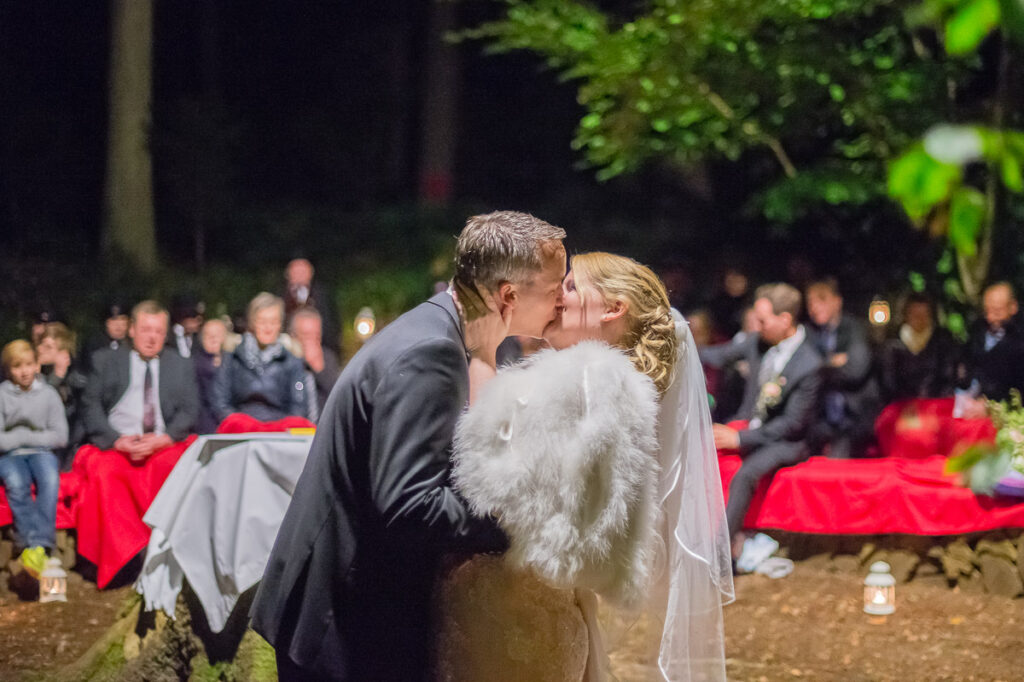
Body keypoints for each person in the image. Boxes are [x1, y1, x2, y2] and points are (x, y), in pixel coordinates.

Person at [251, 210, 567, 682]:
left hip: (351, 605)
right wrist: (509, 522)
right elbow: (408, 505)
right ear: (508, 296)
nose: (563, 299)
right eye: (555, 286)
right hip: (342, 623)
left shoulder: (438, 331)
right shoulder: (431, 351)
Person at [436, 252, 733, 682]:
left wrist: (482, 352)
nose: (558, 297)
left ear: (614, 308)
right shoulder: (610, 385)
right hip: (541, 616)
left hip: (512, 625)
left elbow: (488, 478)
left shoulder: (592, 382)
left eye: (571, 287)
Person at [76, 300, 200, 587]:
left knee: (177, 469)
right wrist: (116, 440)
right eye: (145, 329)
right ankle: (120, 561)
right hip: (118, 444)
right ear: (132, 330)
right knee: (105, 474)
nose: (151, 337)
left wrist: (165, 438)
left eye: (158, 331)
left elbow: (190, 410)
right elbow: (90, 406)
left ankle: (167, 558)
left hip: (162, 443)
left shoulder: (179, 365)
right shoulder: (105, 361)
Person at [702, 284, 822, 562]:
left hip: (787, 441)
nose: (757, 326)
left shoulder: (809, 364)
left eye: (763, 320)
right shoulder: (759, 341)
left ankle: (719, 557)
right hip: (747, 424)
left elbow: (793, 424)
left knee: (745, 475)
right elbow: (717, 355)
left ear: (785, 320)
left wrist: (741, 440)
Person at [0, 340, 68, 578]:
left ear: (37, 365)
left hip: (41, 452)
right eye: (18, 366)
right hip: (10, 455)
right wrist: (27, 438)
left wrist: (20, 437)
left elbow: (60, 436)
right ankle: (26, 542)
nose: (25, 371)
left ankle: (40, 544)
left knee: (49, 480)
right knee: (16, 484)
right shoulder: (2, 395)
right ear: (9, 370)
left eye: (29, 364)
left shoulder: (48, 394)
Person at [804, 278, 881, 459]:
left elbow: (856, 371)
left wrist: (822, 366)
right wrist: (833, 362)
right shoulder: (809, 333)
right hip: (822, 418)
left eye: (821, 299)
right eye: (810, 302)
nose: (815, 307)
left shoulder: (855, 328)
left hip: (853, 417)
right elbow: (806, 370)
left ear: (837, 302)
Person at [212, 292, 314, 423]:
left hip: (279, 432)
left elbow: (299, 405)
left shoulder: (291, 359)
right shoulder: (233, 356)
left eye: (273, 322)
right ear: (252, 323)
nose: (268, 328)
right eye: (262, 321)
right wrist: (237, 422)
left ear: (280, 325)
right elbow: (220, 401)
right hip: (240, 429)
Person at [957, 282, 1024, 418]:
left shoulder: (1019, 341)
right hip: (974, 410)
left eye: (997, 311)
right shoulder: (977, 332)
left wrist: (992, 406)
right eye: (987, 311)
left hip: (1009, 416)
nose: (990, 317)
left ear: (1013, 307)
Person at [879, 293, 958, 401]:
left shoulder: (941, 340)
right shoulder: (893, 340)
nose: (920, 320)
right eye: (915, 315)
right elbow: (888, 381)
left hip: (934, 405)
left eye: (924, 315)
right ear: (906, 315)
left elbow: (947, 377)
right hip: (902, 406)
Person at [288, 306, 341, 416]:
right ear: (293, 336)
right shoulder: (286, 359)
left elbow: (338, 399)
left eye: (316, 336)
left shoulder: (328, 358)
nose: (312, 342)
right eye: (306, 336)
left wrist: (319, 369)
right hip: (294, 427)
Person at [281, 257, 338, 351]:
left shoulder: (321, 294)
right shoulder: (281, 296)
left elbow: (331, 324)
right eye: (296, 271)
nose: (300, 275)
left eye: (303, 271)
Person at [193, 317, 228, 434]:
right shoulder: (194, 364)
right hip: (204, 424)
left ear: (224, 337)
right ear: (201, 339)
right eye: (208, 335)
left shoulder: (233, 362)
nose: (213, 339)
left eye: (217, 334)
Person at [166, 294, 204, 359]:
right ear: (184, 319)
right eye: (194, 317)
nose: (199, 322)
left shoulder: (199, 339)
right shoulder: (167, 337)